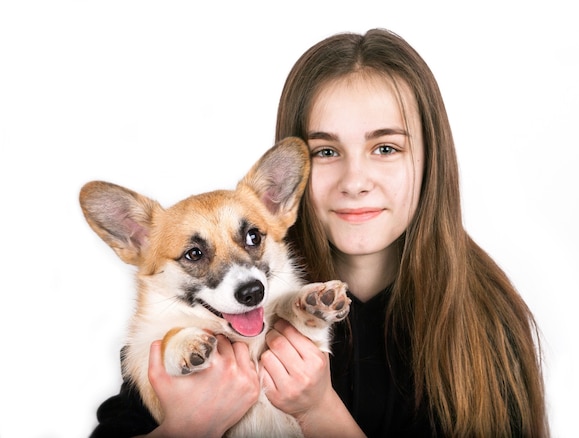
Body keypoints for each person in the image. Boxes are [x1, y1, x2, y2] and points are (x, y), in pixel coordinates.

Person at [91, 28, 549, 437]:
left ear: (432, 159)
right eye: (326, 151)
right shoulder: (191, 331)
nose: (355, 181)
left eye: (385, 147)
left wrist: (319, 409)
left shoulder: (487, 322)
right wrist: (190, 425)